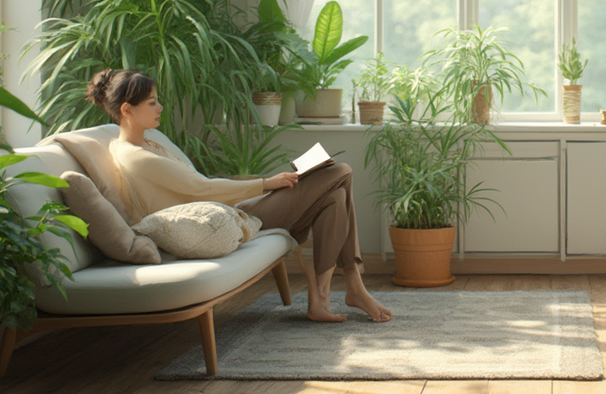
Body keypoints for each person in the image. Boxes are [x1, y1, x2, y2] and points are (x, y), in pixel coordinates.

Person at [86, 68, 391, 323]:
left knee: (334, 198)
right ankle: (353, 285)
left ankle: (323, 299)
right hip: (218, 221)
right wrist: (265, 184)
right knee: (341, 172)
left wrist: (265, 183)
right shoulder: (136, 157)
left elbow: (198, 183)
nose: (160, 108)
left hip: (224, 211)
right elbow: (200, 189)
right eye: (152, 103)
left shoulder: (147, 143)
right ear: (127, 110)